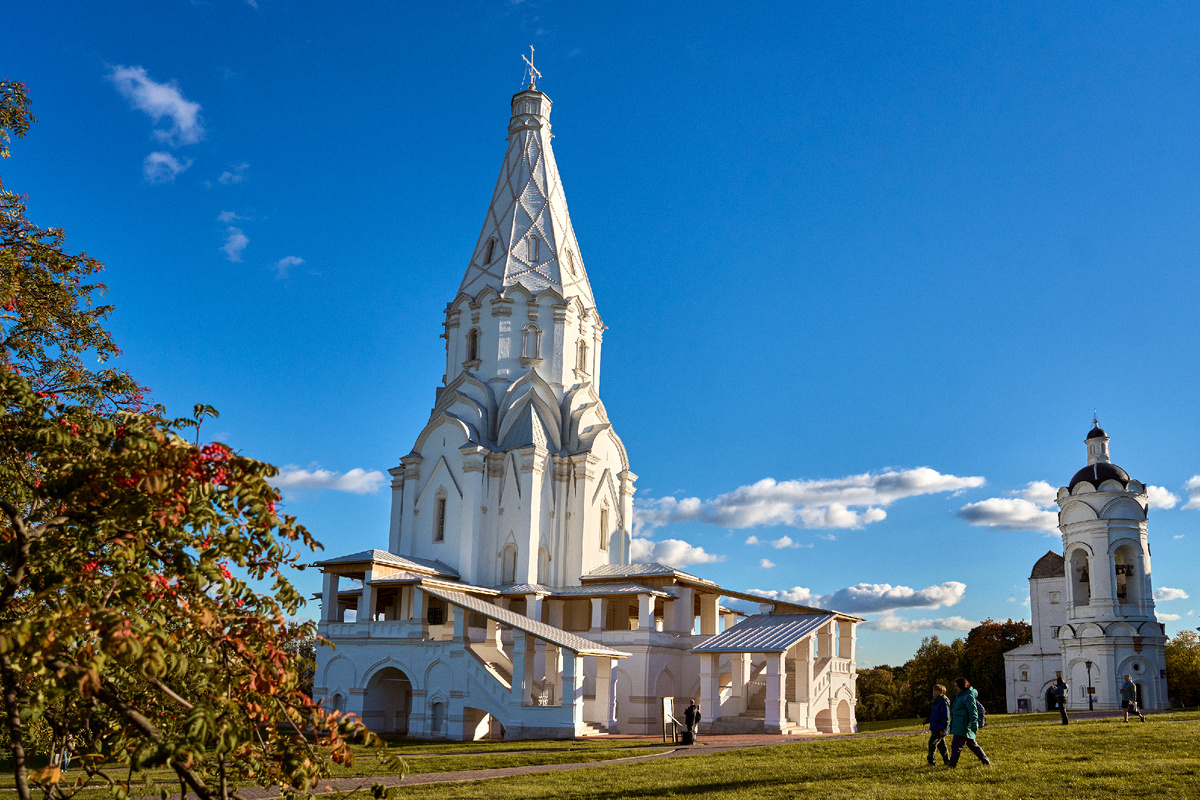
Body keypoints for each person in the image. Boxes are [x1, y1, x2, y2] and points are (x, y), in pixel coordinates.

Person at [947, 677, 991, 767]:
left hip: (963, 727)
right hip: (960, 726)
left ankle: (951, 766)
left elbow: (973, 712)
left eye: (956, 686)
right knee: (973, 745)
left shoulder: (968, 697)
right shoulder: (960, 696)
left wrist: (974, 727)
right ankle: (986, 762)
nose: (955, 688)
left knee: (955, 746)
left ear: (961, 686)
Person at [924, 684, 951, 766]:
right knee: (941, 745)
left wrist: (943, 729)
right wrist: (927, 720)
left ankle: (931, 761)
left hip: (939, 727)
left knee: (932, 743)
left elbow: (945, 716)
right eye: (933, 690)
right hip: (935, 726)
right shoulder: (936, 701)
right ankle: (947, 760)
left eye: (936, 691)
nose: (934, 692)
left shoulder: (943, 702)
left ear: (941, 692)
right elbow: (934, 715)